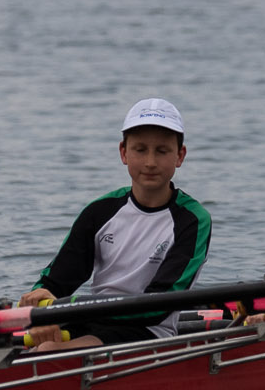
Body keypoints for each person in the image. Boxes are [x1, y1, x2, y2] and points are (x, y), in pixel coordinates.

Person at [20, 97, 212, 349]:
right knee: (26, 345)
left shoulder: (193, 220)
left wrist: (66, 310)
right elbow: (55, 282)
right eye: (140, 150)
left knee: (46, 349)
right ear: (123, 152)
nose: (150, 162)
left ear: (180, 155)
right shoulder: (100, 211)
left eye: (162, 151)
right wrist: (40, 311)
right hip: (92, 319)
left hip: (149, 331)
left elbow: (158, 305)